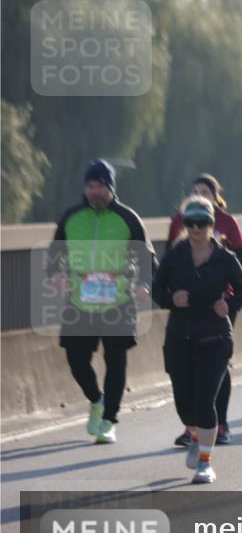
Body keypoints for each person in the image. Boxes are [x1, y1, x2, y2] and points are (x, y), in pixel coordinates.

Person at [45, 159, 157, 444]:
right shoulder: (71, 217)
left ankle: (109, 420)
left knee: (116, 360)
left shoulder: (128, 218)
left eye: (100, 187)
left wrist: (144, 283)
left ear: (111, 188)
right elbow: (53, 256)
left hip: (118, 299)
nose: (94, 192)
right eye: (90, 186)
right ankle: (96, 399)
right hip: (79, 300)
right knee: (76, 359)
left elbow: (147, 258)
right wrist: (56, 275)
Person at [153, 197, 242, 483]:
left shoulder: (225, 257)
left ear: (211, 224)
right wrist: (171, 299)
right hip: (179, 338)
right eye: (190, 223)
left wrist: (229, 306)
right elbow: (157, 288)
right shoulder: (175, 255)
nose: (196, 228)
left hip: (215, 338)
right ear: (185, 225)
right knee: (185, 405)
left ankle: (205, 463)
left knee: (205, 399)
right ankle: (195, 435)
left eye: (202, 223)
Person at [167, 174, 242, 446]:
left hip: (218, 305)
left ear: (216, 197)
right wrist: (171, 296)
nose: (200, 196)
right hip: (187, 307)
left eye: (205, 192)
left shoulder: (227, 222)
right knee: (185, 369)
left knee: (216, 365)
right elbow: (167, 264)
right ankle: (192, 425)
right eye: (195, 192)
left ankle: (219, 422)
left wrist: (227, 298)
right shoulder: (179, 220)